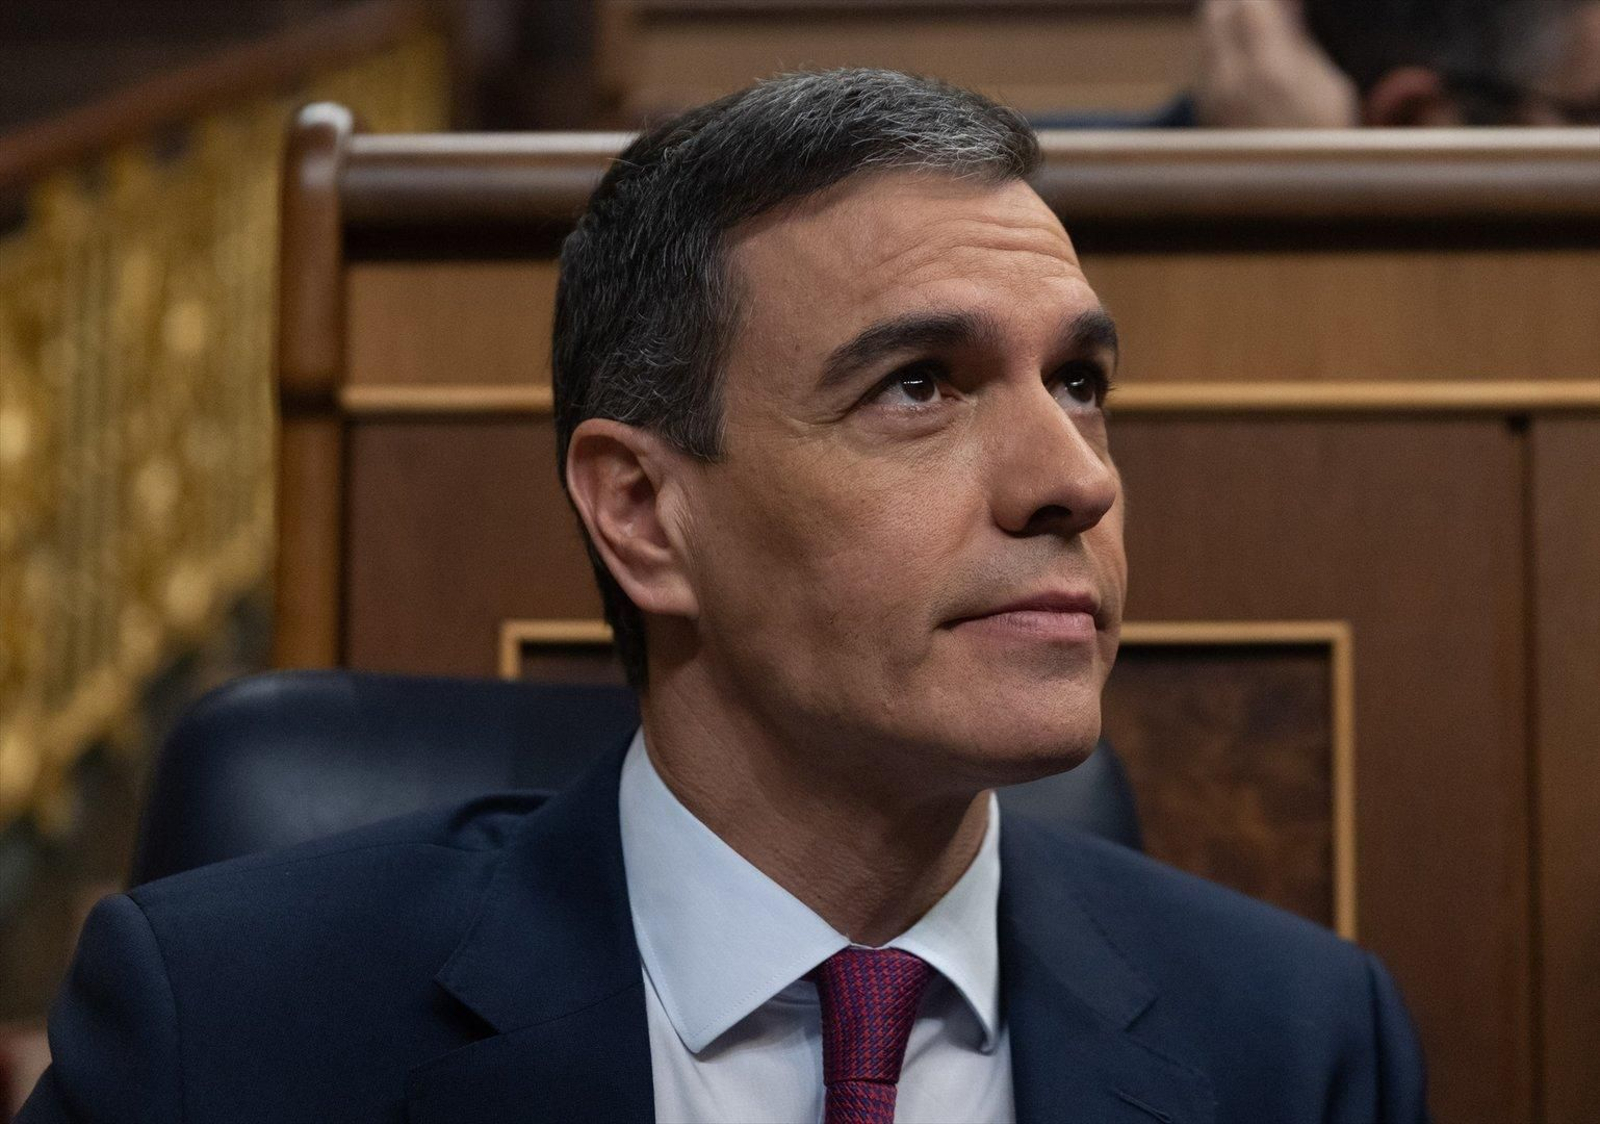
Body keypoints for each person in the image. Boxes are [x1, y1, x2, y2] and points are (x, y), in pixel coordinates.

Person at [20, 69, 1428, 1123]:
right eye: (920, 386)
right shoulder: (227, 1029)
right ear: (645, 513)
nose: (1074, 480)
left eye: (1079, 384)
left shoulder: (1297, 1045)